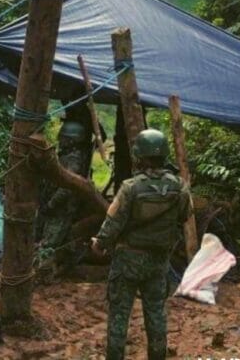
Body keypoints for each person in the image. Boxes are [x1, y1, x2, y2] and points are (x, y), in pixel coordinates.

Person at [91, 128, 190, 360]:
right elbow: (184, 216)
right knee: (156, 314)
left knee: (119, 316)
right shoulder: (180, 187)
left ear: (139, 156)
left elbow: (113, 222)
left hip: (128, 260)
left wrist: (99, 244)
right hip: (158, 262)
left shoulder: (130, 187)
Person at [37, 119, 91, 276]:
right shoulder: (67, 156)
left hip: (61, 208)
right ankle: (69, 269)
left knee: (49, 243)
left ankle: (44, 274)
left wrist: (52, 204)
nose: (62, 141)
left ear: (72, 140)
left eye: (65, 138)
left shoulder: (73, 159)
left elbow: (67, 187)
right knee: (66, 241)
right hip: (60, 206)